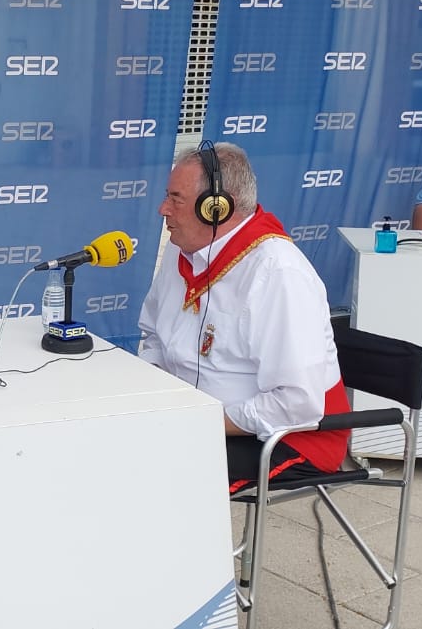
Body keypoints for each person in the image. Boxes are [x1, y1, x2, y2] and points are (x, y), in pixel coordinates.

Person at [138, 143, 351, 493]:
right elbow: (154, 337)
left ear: (217, 208)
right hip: (197, 419)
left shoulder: (278, 272)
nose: (163, 210)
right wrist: (159, 402)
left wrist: (199, 421)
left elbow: (296, 404)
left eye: (176, 199)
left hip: (289, 440)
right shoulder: (183, 252)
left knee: (151, 476)